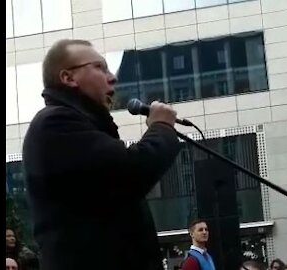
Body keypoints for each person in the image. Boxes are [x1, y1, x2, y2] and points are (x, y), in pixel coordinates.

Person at [23, 39, 181, 270]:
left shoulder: (81, 125)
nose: (112, 76)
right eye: (100, 67)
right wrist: (162, 128)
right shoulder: (55, 123)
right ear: (68, 78)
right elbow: (133, 170)